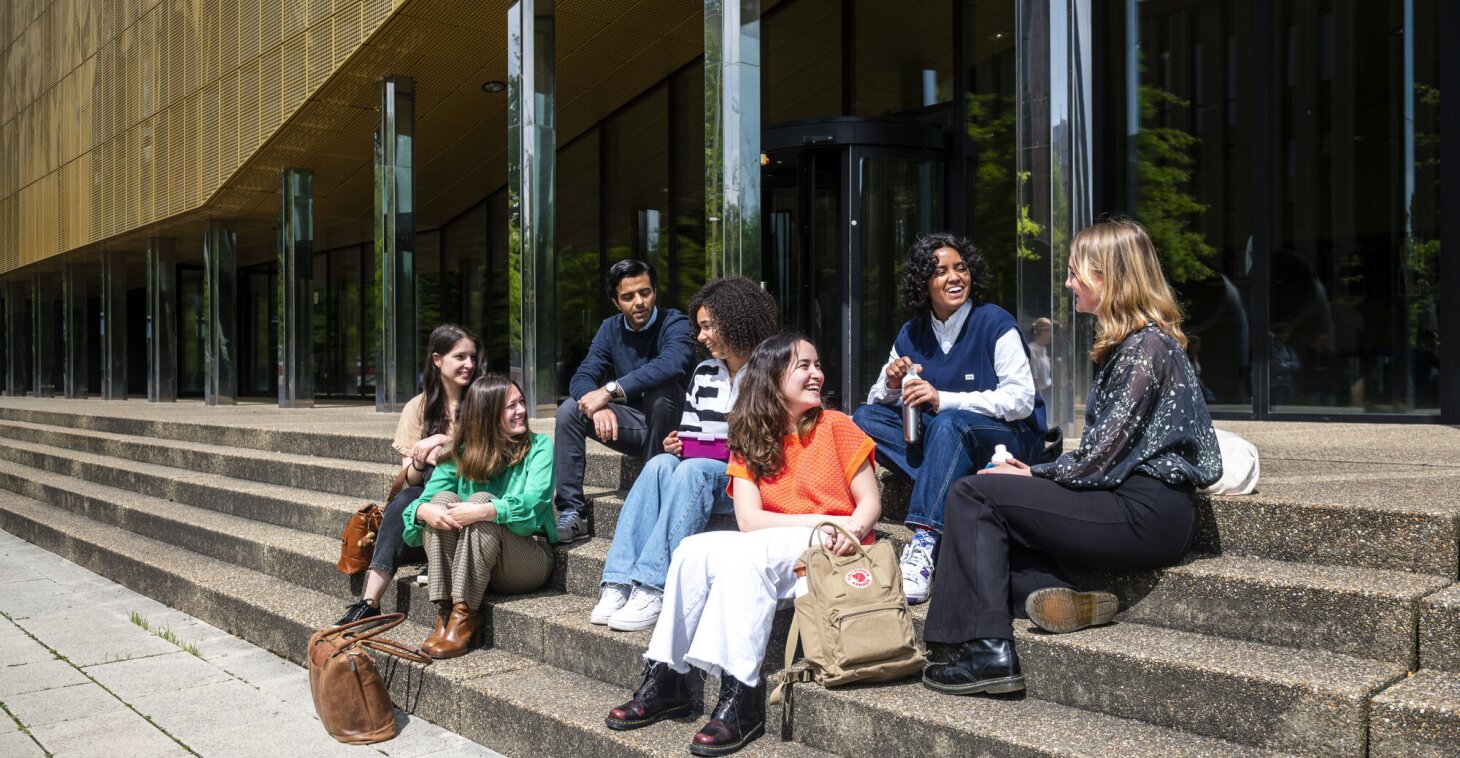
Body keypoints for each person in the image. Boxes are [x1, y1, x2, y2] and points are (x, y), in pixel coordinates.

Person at [920, 217, 1221, 696]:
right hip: (1139, 504)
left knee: (973, 495)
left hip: (1145, 510)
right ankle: (1053, 593)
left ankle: (986, 650)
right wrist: (1033, 477)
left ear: (1108, 275)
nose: (1068, 283)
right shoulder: (1138, 344)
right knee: (994, 524)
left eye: (1076, 273)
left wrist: (1034, 471)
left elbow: (1101, 457)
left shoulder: (1147, 347)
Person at [605, 333, 880, 756]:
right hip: (795, 534)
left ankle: (742, 695)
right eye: (803, 366)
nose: (817, 374)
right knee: (691, 551)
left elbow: (870, 503)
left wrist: (848, 529)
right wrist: (826, 518)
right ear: (771, 378)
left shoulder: (837, 426)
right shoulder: (749, 435)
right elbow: (749, 520)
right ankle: (666, 677)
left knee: (746, 555)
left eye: (817, 364)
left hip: (833, 549)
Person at [851, 232, 1046, 604]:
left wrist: (944, 399)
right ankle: (951, 481)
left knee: (948, 420)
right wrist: (892, 384)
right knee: (864, 418)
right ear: (924, 284)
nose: (955, 277)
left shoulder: (994, 322)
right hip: (947, 440)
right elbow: (878, 401)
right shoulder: (912, 333)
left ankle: (924, 539)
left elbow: (1021, 400)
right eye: (940, 271)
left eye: (961, 268)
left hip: (1011, 438)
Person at [592, 277, 778, 631]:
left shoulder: (771, 371)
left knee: (694, 472)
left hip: (748, 481)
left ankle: (653, 585)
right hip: (703, 472)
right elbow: (694, 432)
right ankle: (618, 581)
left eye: (708, 327)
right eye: (700, 327)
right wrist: (677, 445)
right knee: (662, 463)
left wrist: (724, 450)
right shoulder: (706, 372)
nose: (702, 336)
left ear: (734, 321)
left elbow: (776, 446)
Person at [401, 374, 558, 659]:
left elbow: (534, 504)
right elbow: (416, 520)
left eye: (521, 402)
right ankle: (447, 613)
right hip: (471, 563)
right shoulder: (458, 453)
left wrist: (486, 510)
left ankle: (466, 616)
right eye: (511, 406)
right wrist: (423, 511)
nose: (522, 410)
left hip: (523, 560)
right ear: (485, 413)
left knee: (482, 502)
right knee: (441, 502)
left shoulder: (540, 447)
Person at [335, 324, 482, 625]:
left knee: (440, 470)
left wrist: (442, 442)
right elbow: (409, 478)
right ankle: (370, 601)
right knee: (404, 500)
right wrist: (418, 457)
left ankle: (438, 556)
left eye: (472, 357)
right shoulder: (418, 407)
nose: (470, 365)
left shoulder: (483, 402)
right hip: (427, 495)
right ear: (438, 360)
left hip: (474, 490)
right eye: (460, 357)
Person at [554, 259, 697, 542]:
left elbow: (672, 364)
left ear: (654, 291)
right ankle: (573, 512)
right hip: (638, 426)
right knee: (570, 410)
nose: (639, 302)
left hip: (675, 429)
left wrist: (608, 392)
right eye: (628, 297)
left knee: (661, 388)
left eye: (645, 292)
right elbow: (582, 375)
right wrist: (597, 407)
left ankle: (654, 497)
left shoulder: (675, 322)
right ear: (615, 301)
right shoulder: (610, 329)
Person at [1028, 317, 1054, 399]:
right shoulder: (1031, 349)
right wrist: (1038, 395)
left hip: (1048, 390)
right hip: (1040, 393)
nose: (1051, 334)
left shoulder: (1044, 349)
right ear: (1039, 332)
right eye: (1048, 330)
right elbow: (1033, 375)